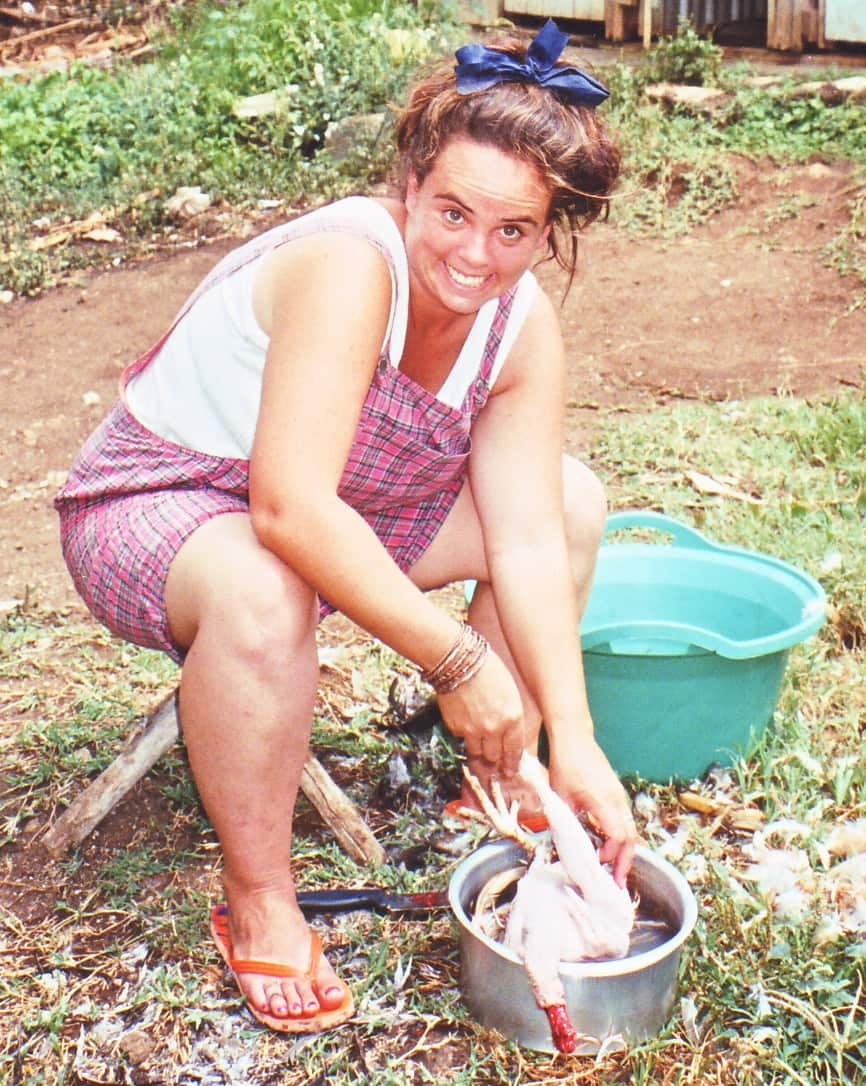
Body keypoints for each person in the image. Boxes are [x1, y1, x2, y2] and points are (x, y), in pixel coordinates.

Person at [54, 19, 637, 1035]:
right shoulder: (348, 262)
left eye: (511, 231)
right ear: (408, 183)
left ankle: (494, 777)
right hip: (163, 506)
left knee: (571, 498)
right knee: (261, 583)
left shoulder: (518, 322)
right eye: (452, 212)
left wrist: (573, 736)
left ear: (549, 232)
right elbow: (286, 506)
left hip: (346, 507)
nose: (472, 254)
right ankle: (260, 896)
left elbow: (530, 537)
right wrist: (462, 665)